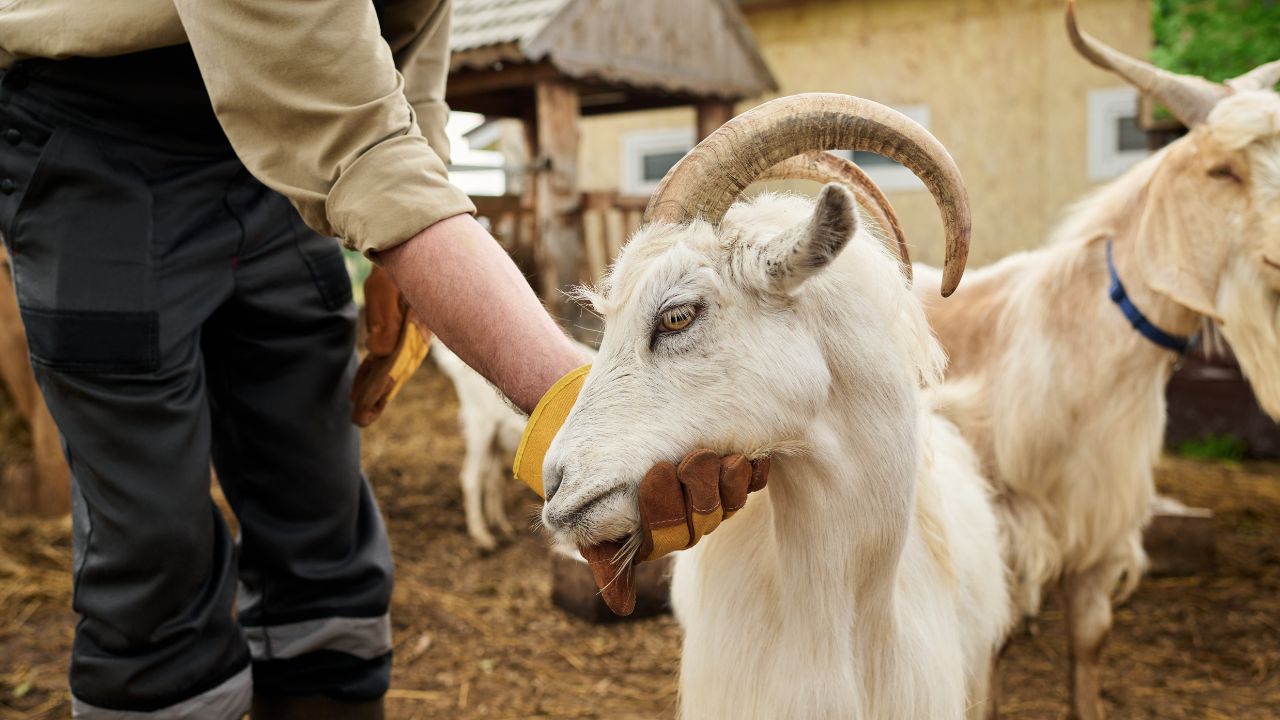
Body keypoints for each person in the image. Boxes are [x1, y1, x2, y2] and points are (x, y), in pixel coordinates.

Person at [0, 2, 762, 718]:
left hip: (281, 165)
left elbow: (406, 50)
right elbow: (360, 149)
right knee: (154, 560)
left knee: (322, 522)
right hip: (102, 128)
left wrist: (406, 252)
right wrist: (575, 406)